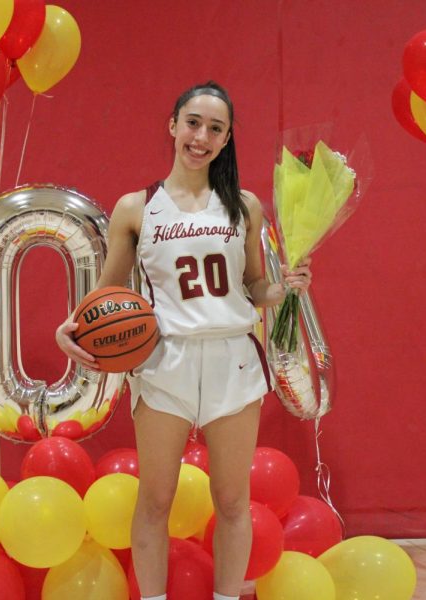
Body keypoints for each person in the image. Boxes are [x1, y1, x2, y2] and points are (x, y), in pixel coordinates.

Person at [56, 81, 311, 600]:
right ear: (173, 125)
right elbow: (107, 294)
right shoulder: (135, 207)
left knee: (233, 501)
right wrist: (73, 327)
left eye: (215, 129)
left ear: (227, 139)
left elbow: (255, 287)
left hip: (233, 358)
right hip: (163, 359)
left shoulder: (244, 205)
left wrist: (283, 287)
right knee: (154, 500)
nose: (202, 136)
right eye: (193, 123)